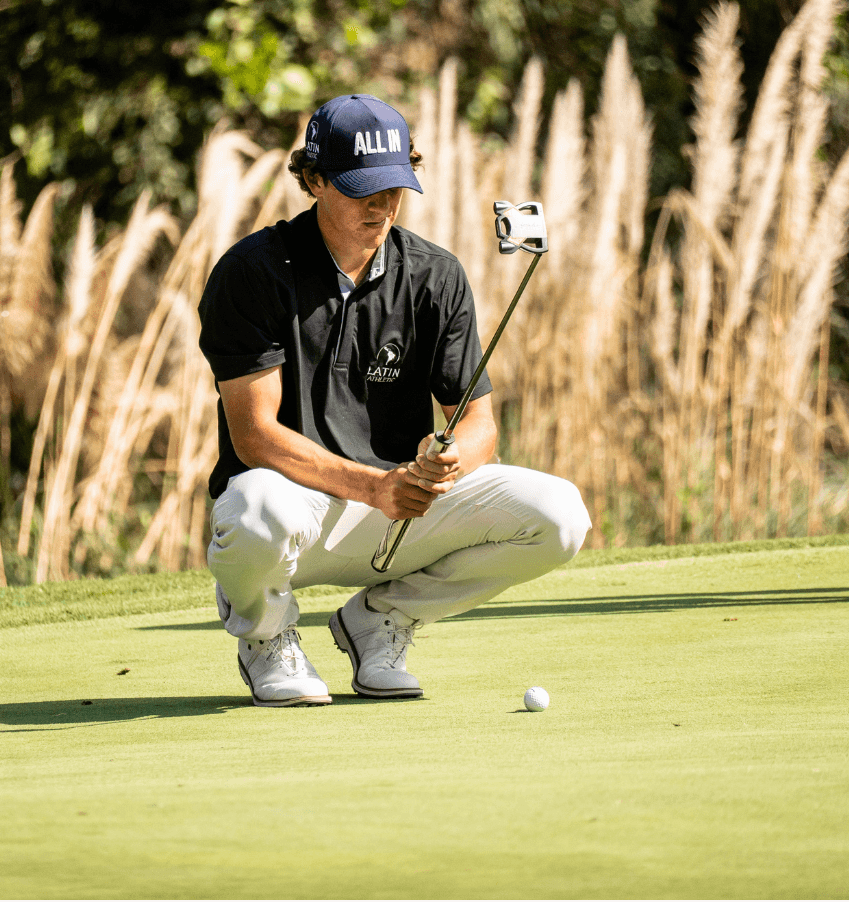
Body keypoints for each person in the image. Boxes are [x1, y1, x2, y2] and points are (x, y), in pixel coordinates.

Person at [196, 93, 590, 706]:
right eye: (361, 188)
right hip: (298, 511)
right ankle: (266, 635)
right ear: (316, 179)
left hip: (400, 511)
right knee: (253, 510)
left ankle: (378, 621)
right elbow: (254, 436)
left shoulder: (436, 274)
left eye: (394, 186)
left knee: (559, 514)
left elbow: (480, 421)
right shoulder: (254, 272)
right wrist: (375, 487)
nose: (381, 205)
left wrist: (450, 460)